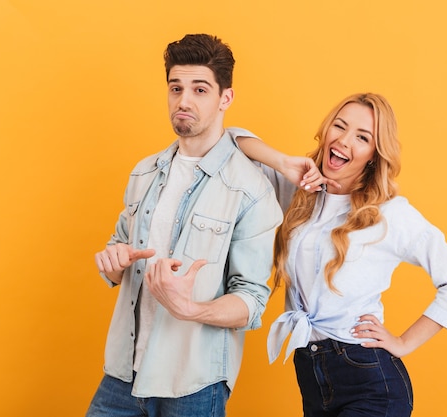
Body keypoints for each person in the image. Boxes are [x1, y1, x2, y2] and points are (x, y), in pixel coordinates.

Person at [86, 34, 311, 417]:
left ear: (226, 98)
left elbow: (251, 303)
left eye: (200, 89)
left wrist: (189, 308)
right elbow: (119, 246)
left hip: (192, 384)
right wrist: (114, 260)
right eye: (176, 88)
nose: (183, 101)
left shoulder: (251, 191)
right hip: (122, 376)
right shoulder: (143, 172)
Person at [236, 92, 447, 417]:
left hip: (368, 379)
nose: (344, 140)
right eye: (339, 126)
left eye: (362, 137)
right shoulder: (299, 193)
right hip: (311, 372)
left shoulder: (390, 214)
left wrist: (404, 343)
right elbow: (233, 139)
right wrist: (283, 162)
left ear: (374, 156)